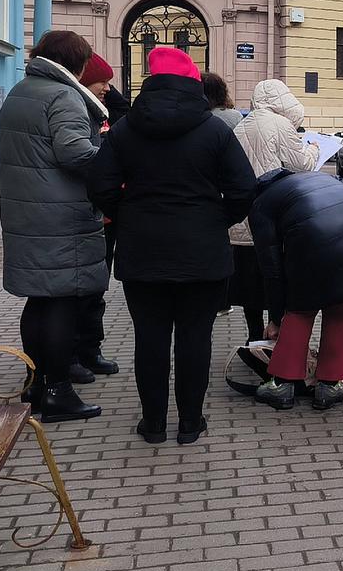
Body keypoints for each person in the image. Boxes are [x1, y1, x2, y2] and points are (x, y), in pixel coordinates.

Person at [86, 47, 256, 445]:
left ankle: (154, 424)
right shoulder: (216, 131)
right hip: (203, 252)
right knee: (196, 338)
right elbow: (244, 188)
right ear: (193, 83)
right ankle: (191, 423)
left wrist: (128, 217)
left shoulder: (125, 129)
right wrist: (218, 219)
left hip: (142, 251)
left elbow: (100, 186)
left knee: (150, 338)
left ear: (150, 81)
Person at [0, 29, 110, 423]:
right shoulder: (63, 96)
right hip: (60, 216)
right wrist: (112, 159)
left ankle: (35, 383)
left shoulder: (21, 91)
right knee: (61, 301)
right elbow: (74, 152)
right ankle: (58, 391)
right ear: (76, 64)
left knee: (39, 301)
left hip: (26, 214)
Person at [248, 169, 343, 411]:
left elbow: (271, 270)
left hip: (317, 238)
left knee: (301, 308)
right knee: (341, 308)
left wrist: (275, 318)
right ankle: (329, 386)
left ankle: (282, 384)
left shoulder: (262, 203)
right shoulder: (321, 179)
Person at [229, 80, 319, 349]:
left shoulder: (239, 127)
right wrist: (313, 148)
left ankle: (254, 337)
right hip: (275, 219)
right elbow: (301, 165)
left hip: (243, 222)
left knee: (249, 287)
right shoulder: (281, 125)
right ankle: (276, 337)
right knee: (275, 281)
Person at [73, 53, 125, 381]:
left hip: (103, 218)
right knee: (80, 291)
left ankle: (91, 349)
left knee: (97, 287)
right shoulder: (75, 111)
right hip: (83, 216)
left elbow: (124, 113)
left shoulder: (97, 111)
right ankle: (74, 353)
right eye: (101, 81)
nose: (107, 88)